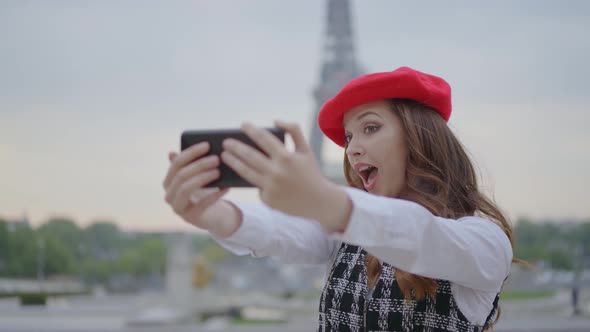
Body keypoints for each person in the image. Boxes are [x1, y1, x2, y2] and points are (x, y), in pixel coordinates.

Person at [163, 66, 519, 331]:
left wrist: (327, 200)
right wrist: (212, 213)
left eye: (371, 128)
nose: (353, 148)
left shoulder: (485, 243)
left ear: (419, 137)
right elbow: (279, 231)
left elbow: (420, 237)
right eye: (349, 137)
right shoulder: (348, 235)